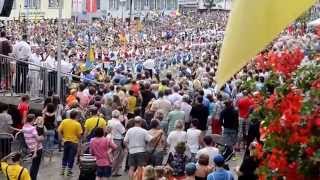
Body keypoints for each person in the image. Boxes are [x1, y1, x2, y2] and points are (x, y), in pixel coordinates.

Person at [58, 110, 83, 176]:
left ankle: (62, 170)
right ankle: (69, 171)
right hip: (74, 143)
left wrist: (61, 139)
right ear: (76, 116)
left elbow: (59, 130)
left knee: (65, 156)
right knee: (71, 157)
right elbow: (79, 135)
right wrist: (80, 139)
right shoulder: (77, 124)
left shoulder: (64, 121)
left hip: (66, 142)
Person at [22, 114, 44, 180]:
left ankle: (31, 177)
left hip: (30, 147)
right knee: (36, 165)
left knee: (34, 164)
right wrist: (42, 137)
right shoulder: (33, 128)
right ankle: (33, 178)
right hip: (37, 148)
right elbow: (38, 139)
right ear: (33, 119)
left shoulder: (24, 126)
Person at [107, 110, 125, 177]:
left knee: (110, 155)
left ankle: (110, 170)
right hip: (117, 140)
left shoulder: (109, 121)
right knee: (116, 156)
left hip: (110, 138)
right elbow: (123, 132)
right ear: (118, 115)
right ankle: (113, 172)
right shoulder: (118, 123)